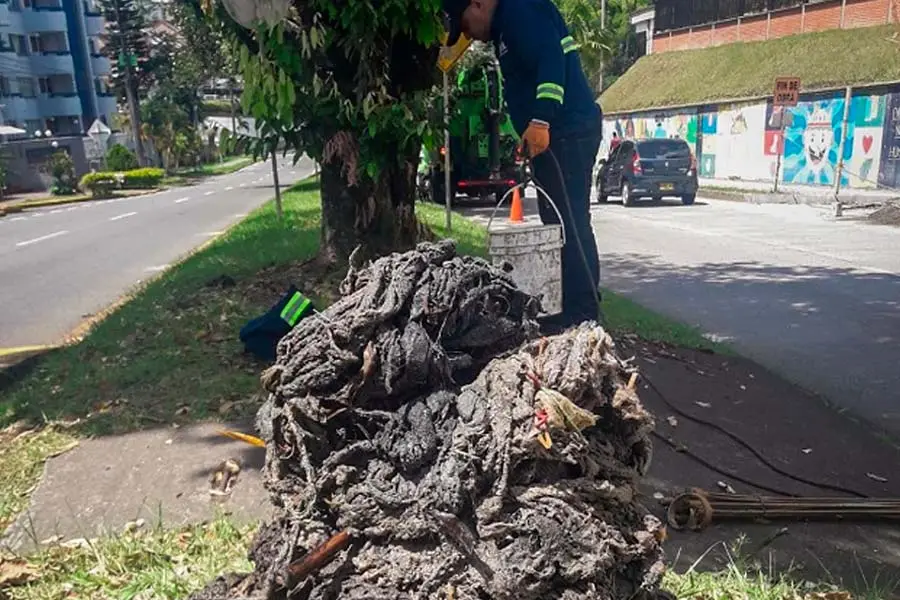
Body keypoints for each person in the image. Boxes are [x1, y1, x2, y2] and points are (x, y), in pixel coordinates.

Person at [443, 0, 603, 330]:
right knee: (557, 224)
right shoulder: (505, 25)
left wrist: (542, 119)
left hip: (567, 131)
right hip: (556, 135)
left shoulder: (516, 11)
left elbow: (550, 57)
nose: (469, 34)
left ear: (478, 3)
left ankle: (583, 313)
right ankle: (568, 307)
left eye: (466, 23)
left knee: (569, 224)